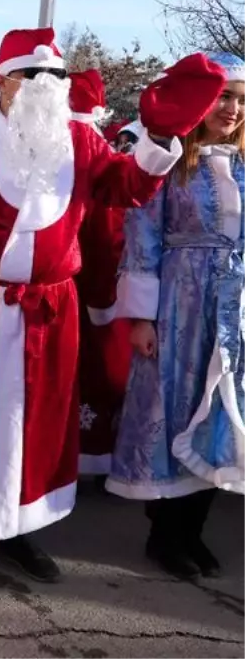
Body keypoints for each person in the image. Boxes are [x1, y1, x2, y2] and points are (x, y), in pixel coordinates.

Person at [0, 28, 203, 585]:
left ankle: (22, 529)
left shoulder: (81, 141)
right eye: (34, 76)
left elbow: (129, 188)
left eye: (58, 78)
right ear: (3, 80)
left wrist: (162, 133)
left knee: (42, 421)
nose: (48, 87)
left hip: (53, 309)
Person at [108, 52, 243, 580]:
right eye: (222, 96)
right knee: (175, 407)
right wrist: (142, 316)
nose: (231, 108)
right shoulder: (170, 163)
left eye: (239, 100)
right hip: (179, 303)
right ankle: (165, 534)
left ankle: (194, 530)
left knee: (223, 412)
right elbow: (141, 237)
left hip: (234, 308)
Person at [68, 70, 132, 479]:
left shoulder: (92, 160)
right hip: (82, 289)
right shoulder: (97, 159)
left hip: (75, 286)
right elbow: (107, 238)